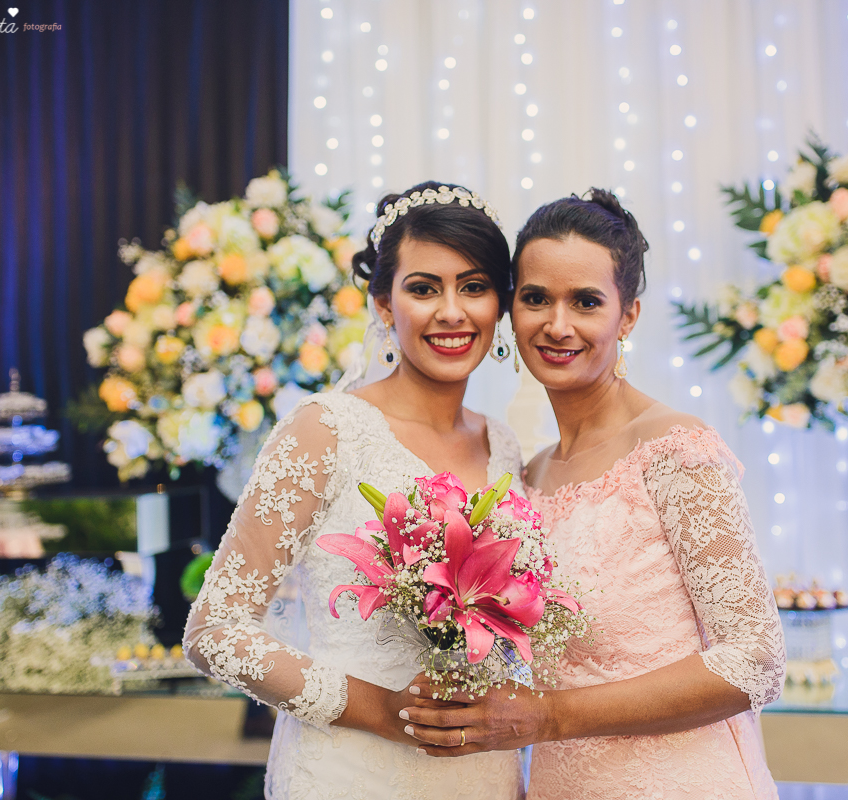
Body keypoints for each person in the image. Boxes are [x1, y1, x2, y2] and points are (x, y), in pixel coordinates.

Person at [399, 189, 786, 799]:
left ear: (627, 314)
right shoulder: (528, 474)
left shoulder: (676, 449)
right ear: (510, 311)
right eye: (535, 299)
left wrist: (548, 716)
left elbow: (754, 661)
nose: (557, 325)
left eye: (586, 302)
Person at [183, 181, 526, 800]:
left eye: (473, 287)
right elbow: (214, 631)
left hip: (483, 775)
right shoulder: (326, 430)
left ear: (499, 305)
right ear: (384, 304)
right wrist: (382, 710)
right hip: (353, 770)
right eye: (424, 288)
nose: (452, 312)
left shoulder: (502, 446)